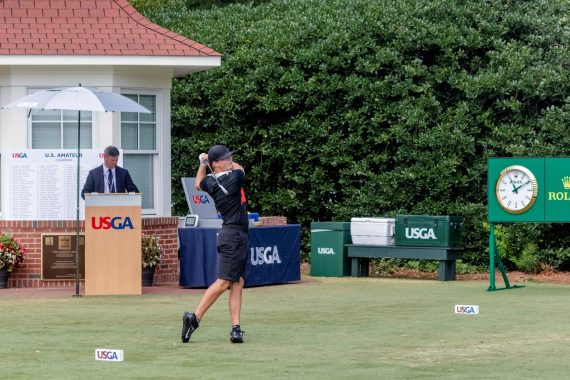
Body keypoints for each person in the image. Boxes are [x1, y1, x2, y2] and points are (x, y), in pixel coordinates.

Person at [182, 145, 249, 344]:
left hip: (236, 235)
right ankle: (193, 318)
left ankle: (236, 328)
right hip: (233, 235)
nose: (230, 160)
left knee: (237, 282)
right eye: (225, 158)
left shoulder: (211, 182)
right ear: (216, 164)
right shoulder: (234, 177)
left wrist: (203, 164)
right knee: (224, 282)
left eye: (230, 157)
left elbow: (197, 183)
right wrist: (212, 163)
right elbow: (241, 168)